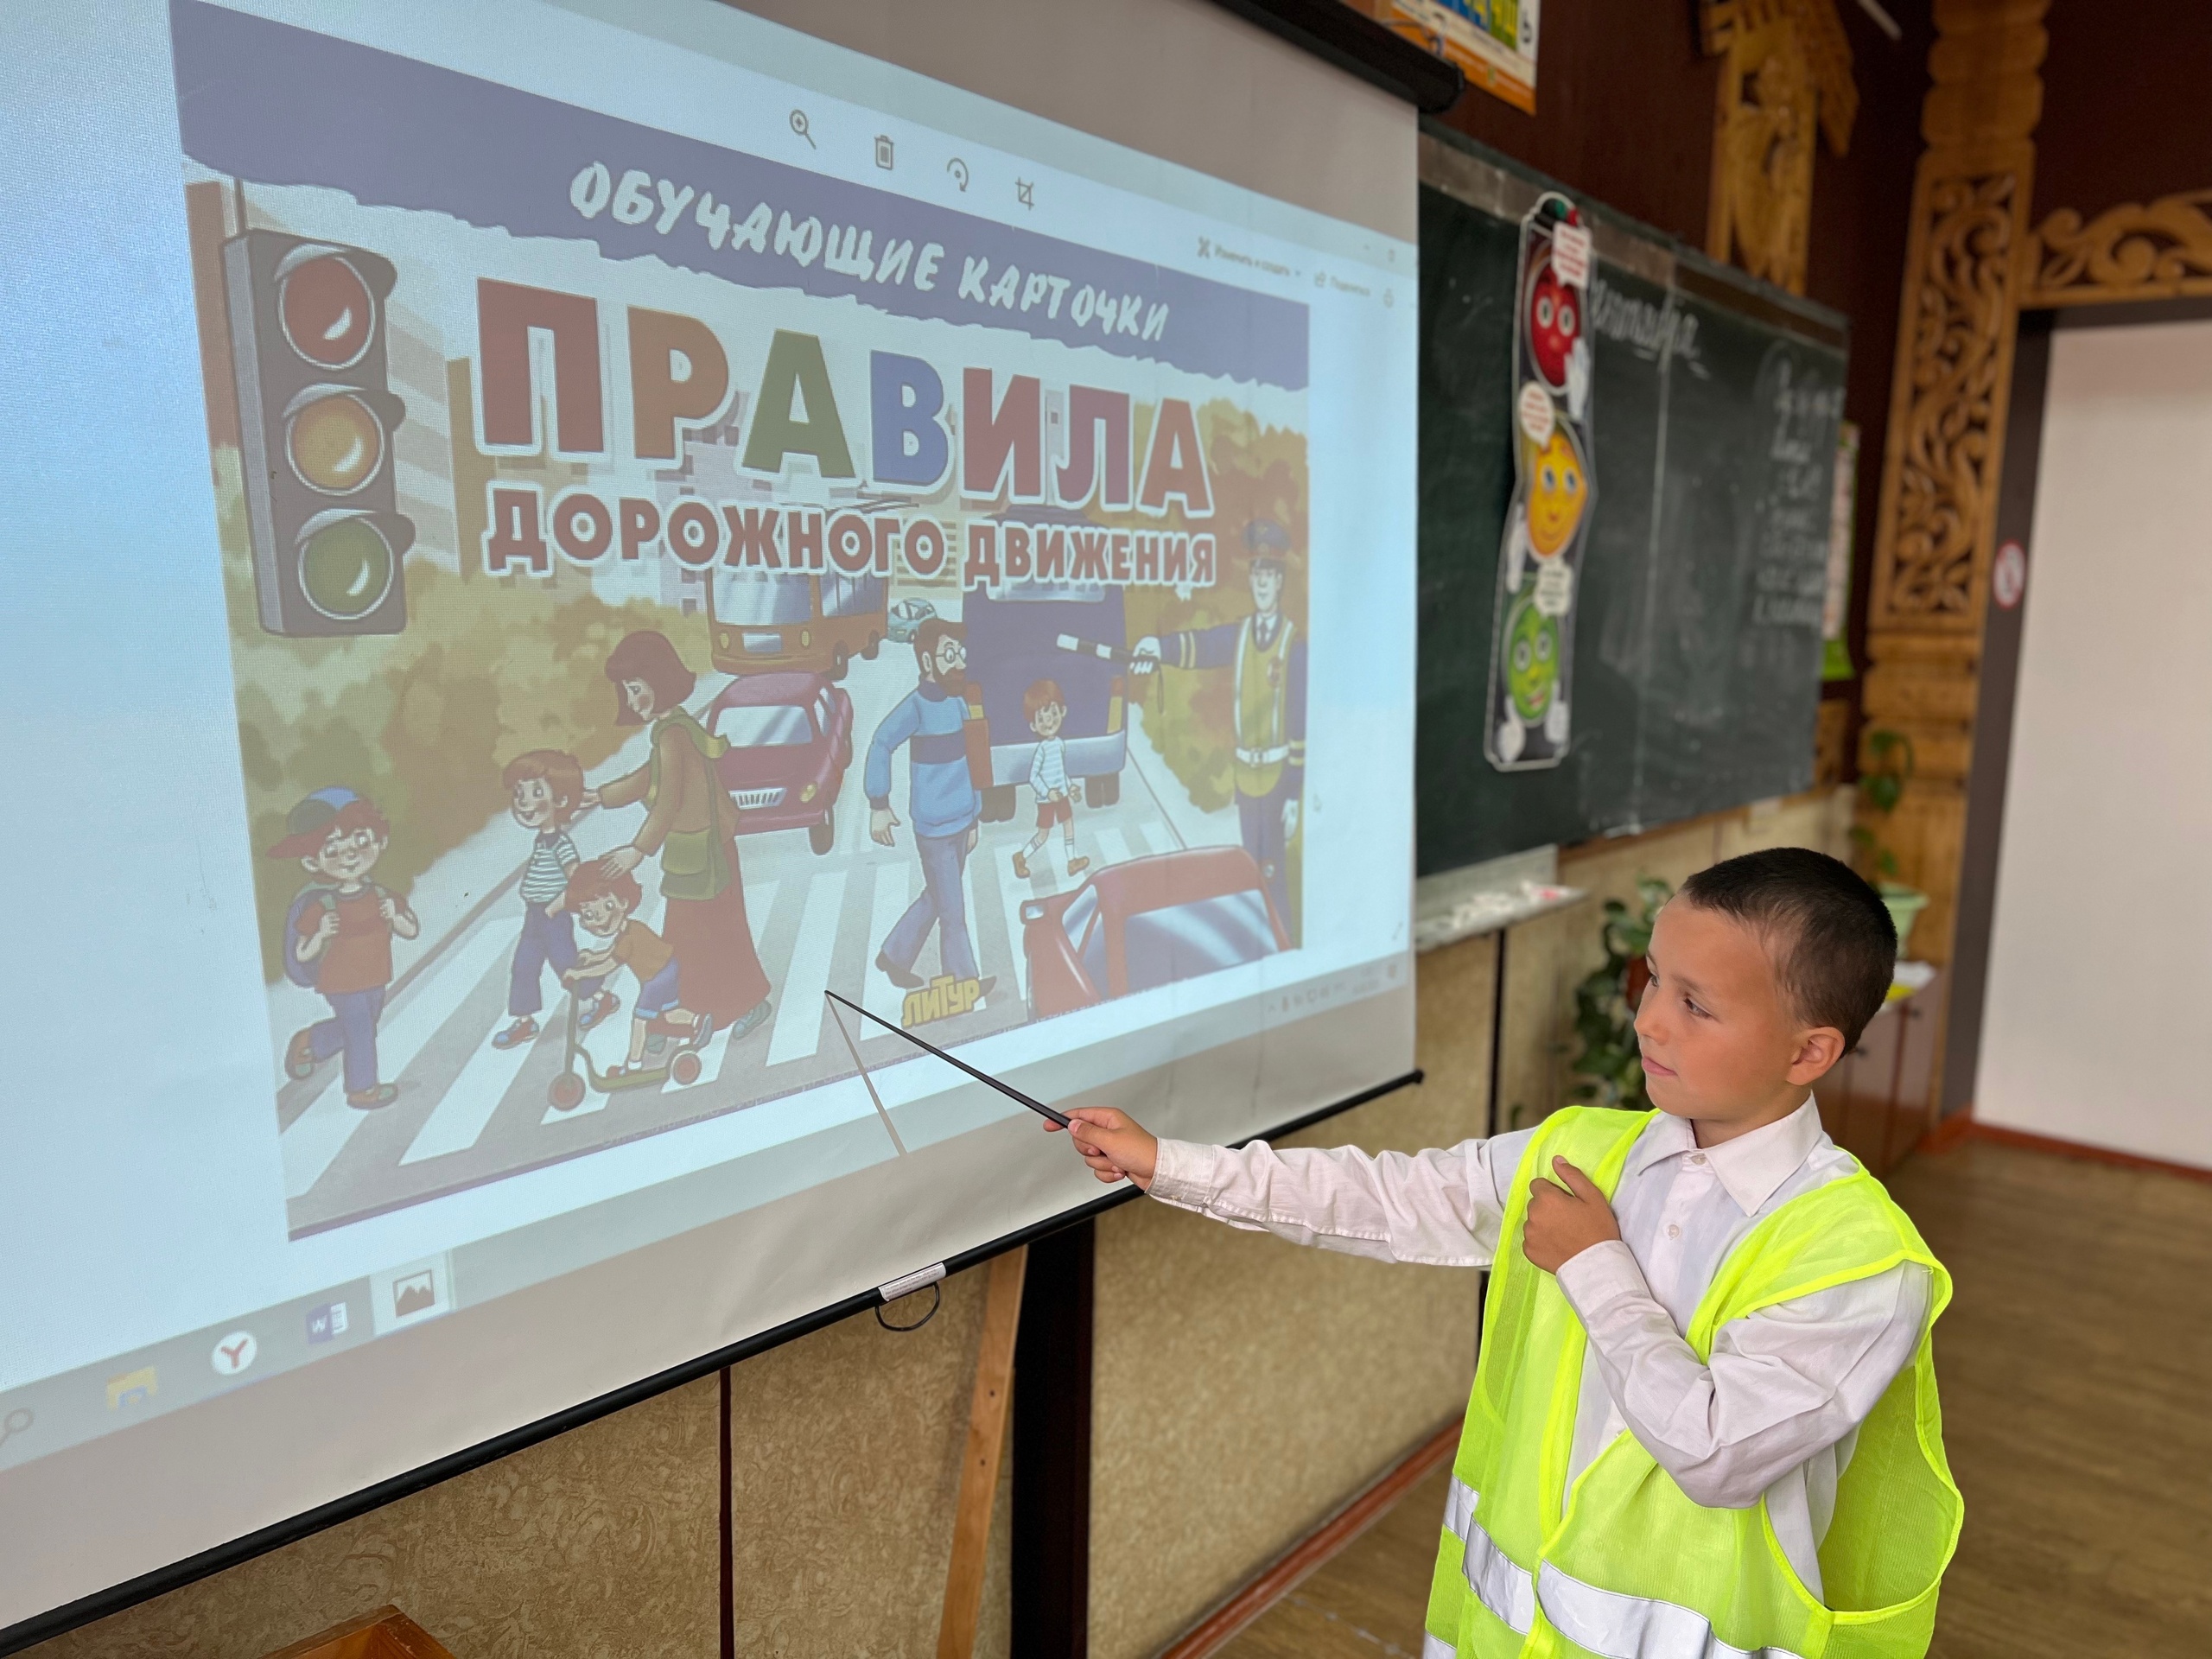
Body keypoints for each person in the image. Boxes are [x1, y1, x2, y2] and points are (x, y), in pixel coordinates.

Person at [1052, 849, 1961, 1659]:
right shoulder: (1582, 1151)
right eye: (1653, 981)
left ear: (1809, 1052)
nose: (1649, 1022)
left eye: (1695, 1004)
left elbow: (1719, 1454)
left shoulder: (1862, 1264)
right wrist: (1169, 1164)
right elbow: (1382, 1196)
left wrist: (1593, 1265)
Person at [590, 631, 772, 1045]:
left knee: (711, 935)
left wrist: (638, 850)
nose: (632, 700)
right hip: (697, 851)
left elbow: (667, 797)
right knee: (687, 937)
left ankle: (736, 1004)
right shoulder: (671, 730)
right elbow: (647, 778)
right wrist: (598, 796)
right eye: (627, 691)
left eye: (636, 689)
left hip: (707, 853)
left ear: (659, 680)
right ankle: (674, 1015)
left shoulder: (674, 733)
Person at [1131, 520, 1305, 931]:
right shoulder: (1241, 634)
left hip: (1280, 776)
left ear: (1280, 582)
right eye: (1257, 575)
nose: (1263, 584)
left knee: (1273, 872)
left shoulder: (1294, 644)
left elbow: (1298, 720)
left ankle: (1282, 951)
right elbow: (1203, 646)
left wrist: (1295, 792)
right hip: (1248, 778)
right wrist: (1159, 647)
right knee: (1251, 866)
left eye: (1270, 576)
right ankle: (1260, 943)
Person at [867, 617, 994, 1001]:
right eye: (948, 654)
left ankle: (893, 956)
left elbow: (973, 759)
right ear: (926, 663)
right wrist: (878, 802)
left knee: (937, 898)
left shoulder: (961, 701)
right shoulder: (917, 707)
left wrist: (976, 816)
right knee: (952, 908)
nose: (958, 661)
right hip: (935, 829)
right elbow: (881, 743)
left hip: (960, 821)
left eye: (960, 653)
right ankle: (963, 981)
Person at [273, 787, 420, 1109]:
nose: (350, 855)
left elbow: (412, 930)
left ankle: (312, 1042)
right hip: (340, 981)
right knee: (360, 1031)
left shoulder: (381, 895)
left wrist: (395, 916)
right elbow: (301, 953)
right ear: (313, 861)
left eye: (360, 842)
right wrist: (321, 934)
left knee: (364, 1025)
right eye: (333, 850)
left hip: (375, 976)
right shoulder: (323, 904)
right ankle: (361, 1088)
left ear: (380, 842)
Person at [491, 749, 613, 1050]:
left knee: (566, 963)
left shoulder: (561, 843)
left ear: (560, 801)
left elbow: (577, 878)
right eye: (520, 792)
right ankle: (524, 1021)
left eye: (535, 792)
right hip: (534, 916)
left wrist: (563, 903)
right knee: (523, 965)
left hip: (553, 917)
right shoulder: (541, 841)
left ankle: (601, 999)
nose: (524, 801)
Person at [561, 864, 707, 1077]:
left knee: (640, 1020)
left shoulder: (629, 937)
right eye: (589, 915)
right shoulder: (630, 929)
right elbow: (611, 953)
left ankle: (633, 1066)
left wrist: (580, 974)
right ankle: (699, 1021)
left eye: (607, 906)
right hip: (667, 970)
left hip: (657, 978)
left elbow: (610, 964)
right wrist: (593, 957)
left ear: (623, 903)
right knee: (668, 1012)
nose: (599, 919)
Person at [1012, 678, 1089, 881]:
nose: (1049, 722)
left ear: (1062, 712)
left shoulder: (1060, 744)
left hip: (1061, 796)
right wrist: (1047, 793)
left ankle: (1072, 860)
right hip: (1047, 800)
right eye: (1043, 719)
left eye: (1053, 714)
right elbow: (1033, 777)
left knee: (1068, 823)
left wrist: (1069, 786)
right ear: (1033, 725)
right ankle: (1021, 857)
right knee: (1043, 835)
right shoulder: (1042, 749)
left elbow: (1059, 771)